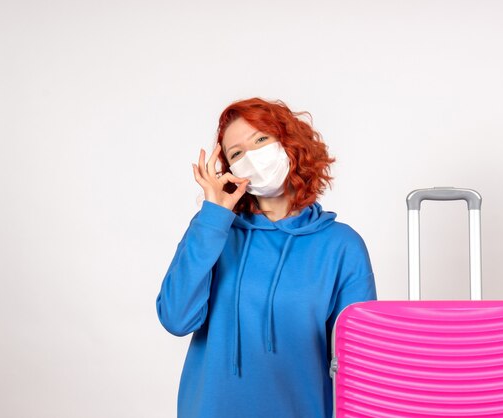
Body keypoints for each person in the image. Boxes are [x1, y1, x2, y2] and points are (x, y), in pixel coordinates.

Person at [156, 97, 377, 418]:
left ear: (289, 143)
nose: (253, 158)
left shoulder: (341, 245)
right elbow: (176, 319)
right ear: (231, 172)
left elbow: (359, 363)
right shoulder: (213, 231)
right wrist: (213, 217)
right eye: (237, 153)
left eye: (261, 140)